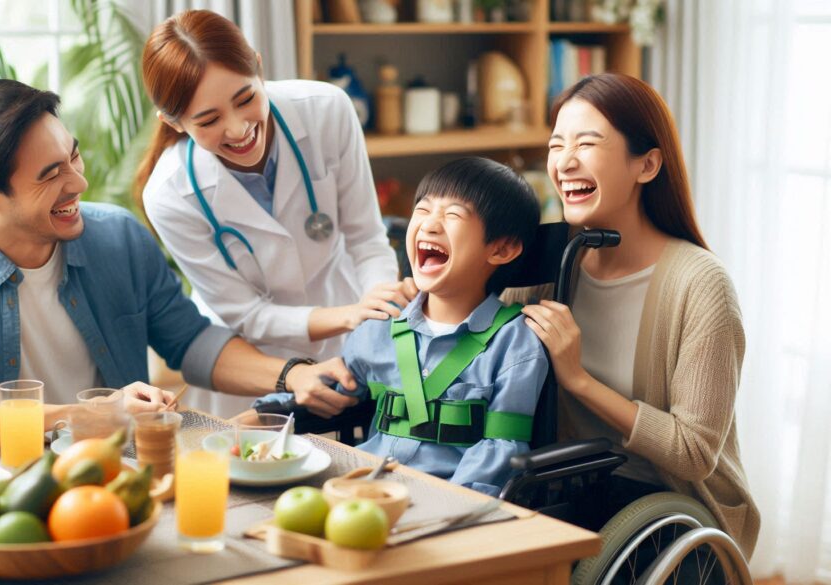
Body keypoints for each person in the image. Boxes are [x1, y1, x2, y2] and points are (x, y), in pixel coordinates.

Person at [0, 79, 357, 450]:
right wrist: (88, 416)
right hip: (3, 490)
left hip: (126, 473)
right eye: (51, 175)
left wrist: (290, 374)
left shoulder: (117, 237)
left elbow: (190, 341)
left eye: (73, 156)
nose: (78, 183)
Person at [510, 73, 759, 557]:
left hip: (668, 512)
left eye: (588, 142)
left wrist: (578, 379)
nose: (565, 162)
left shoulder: (700, 284)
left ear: (646, 165)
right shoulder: (547, 258)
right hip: (567, 487)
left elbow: (693, 453)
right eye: (557, 144)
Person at [135, 10, 416, 417]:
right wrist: (348, 315)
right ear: (174, 123)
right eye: (209, 120)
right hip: (253, 360)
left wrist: (375, 311)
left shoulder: (326, 109)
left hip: (348, 333)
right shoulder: (170, 193)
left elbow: (366, 239)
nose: (237, 129)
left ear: (259, 69)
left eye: (245, 99)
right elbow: (249, 314)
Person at [256, 158, 548, 495]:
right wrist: (248, 421)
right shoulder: (380, 325)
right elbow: (326, 391)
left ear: (502, 249)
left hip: (445, 502)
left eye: (453, 215)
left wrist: (447, 508)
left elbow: (501, 449)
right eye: (423, 210)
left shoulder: (515, 343)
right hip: (359, 489)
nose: (430, 225)